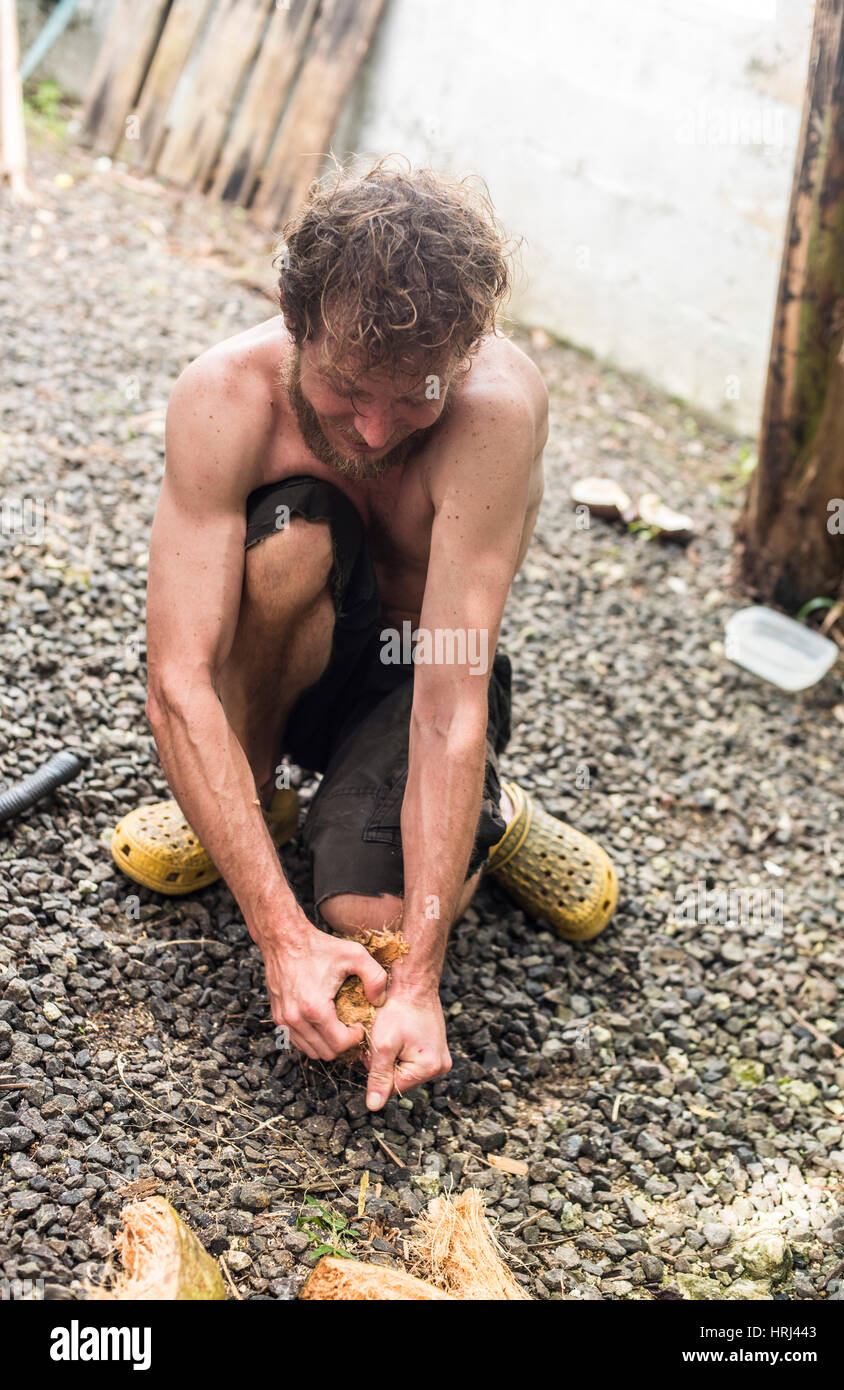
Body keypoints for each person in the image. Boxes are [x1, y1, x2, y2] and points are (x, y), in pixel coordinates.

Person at [110, 160, 618, 1112]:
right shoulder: (224, 396)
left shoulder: (495, 417)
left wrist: (418, 975)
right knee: (294, 539)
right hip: (292, 664)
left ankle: (488, 816)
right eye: (346, 386)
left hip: (416, 683)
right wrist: (278, 936)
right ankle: (248, 799)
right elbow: (179, 681)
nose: (377, 430)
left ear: (466, 355)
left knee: (370, 926)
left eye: (414, 395)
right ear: (294, 319)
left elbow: (448, 703)